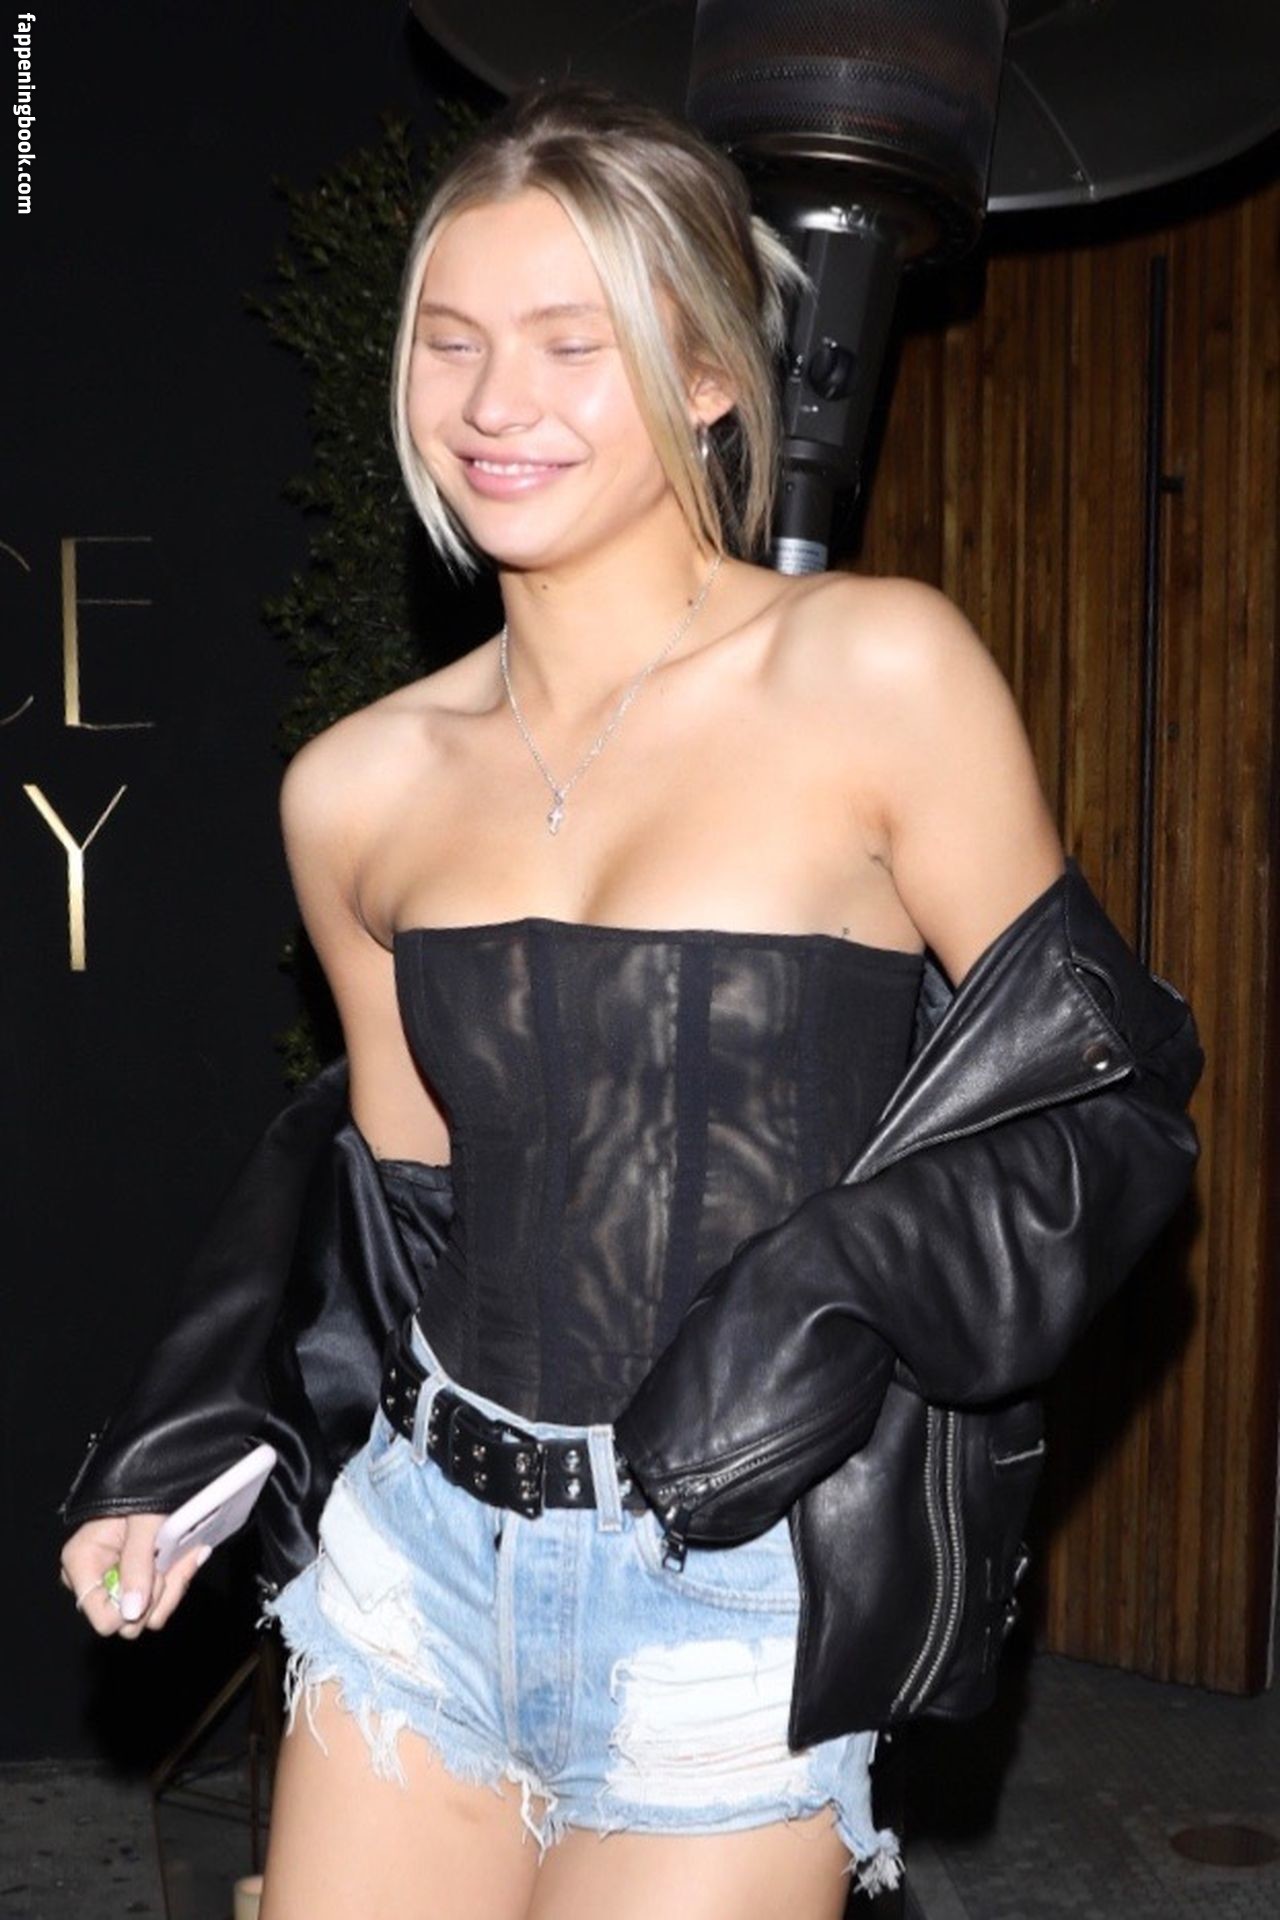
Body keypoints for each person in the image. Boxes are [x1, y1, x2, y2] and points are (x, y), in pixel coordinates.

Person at [57, 79, 1202, 1920]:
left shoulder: (878, 673)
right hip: (418, 1574)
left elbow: (1104, 1100)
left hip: (734, 1607)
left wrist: (838, 1283)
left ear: (713, 374)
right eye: (451, 342)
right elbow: (393, 1209)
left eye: (570, 343)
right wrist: (198, 1450)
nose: (493, 402)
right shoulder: (352, 787)